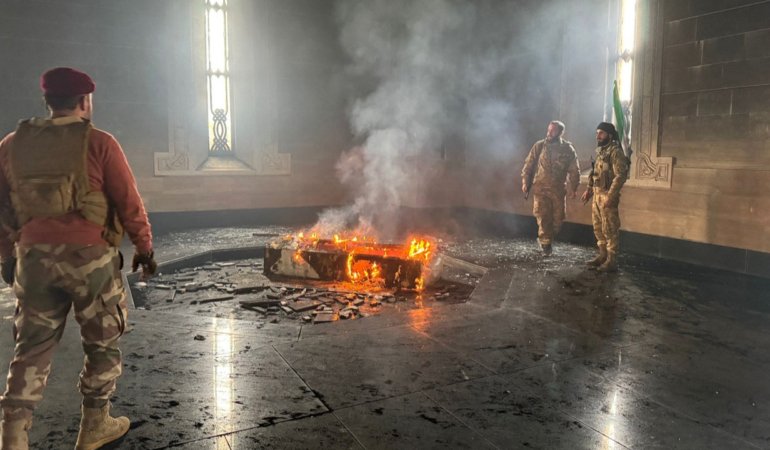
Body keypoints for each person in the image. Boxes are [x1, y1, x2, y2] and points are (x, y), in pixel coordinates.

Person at [0, 67, 157, 450]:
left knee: (31, 349)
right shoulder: (100, 143)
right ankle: (95, 425)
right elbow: (129, 202)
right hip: (91, 261)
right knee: (102, 342)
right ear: (85, 101)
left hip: (34, 261)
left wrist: (7, 257)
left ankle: (12, 436)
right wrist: (144, 248)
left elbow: (2, 210)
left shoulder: (11, 145)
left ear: (47, 101)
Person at [521, 120, 580, 255]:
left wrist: (574, 187)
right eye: (549, 129)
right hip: (540, 189)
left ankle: (547, 238)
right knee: (543, 217)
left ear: (560, 132)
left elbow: (574, 170)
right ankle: (545, 244)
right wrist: (525, 181)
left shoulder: (567, 149)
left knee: (558, 219)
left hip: (558, 190)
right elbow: (528, 165)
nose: (549, 133)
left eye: (553, 130)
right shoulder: (539, 146)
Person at [580, 122, 629, 272]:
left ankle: (611, 260)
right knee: (598, 227)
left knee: (610, 228)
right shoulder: (601, 152)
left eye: (601, 133)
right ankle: (602, 255)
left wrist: (610, 196)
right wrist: (589, 190)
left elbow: (620, 176)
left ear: (609, 135)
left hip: (607, 196)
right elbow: (594, 173)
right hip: (597, 195)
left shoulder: (615, 152)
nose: (598, 136)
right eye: (597, 133)